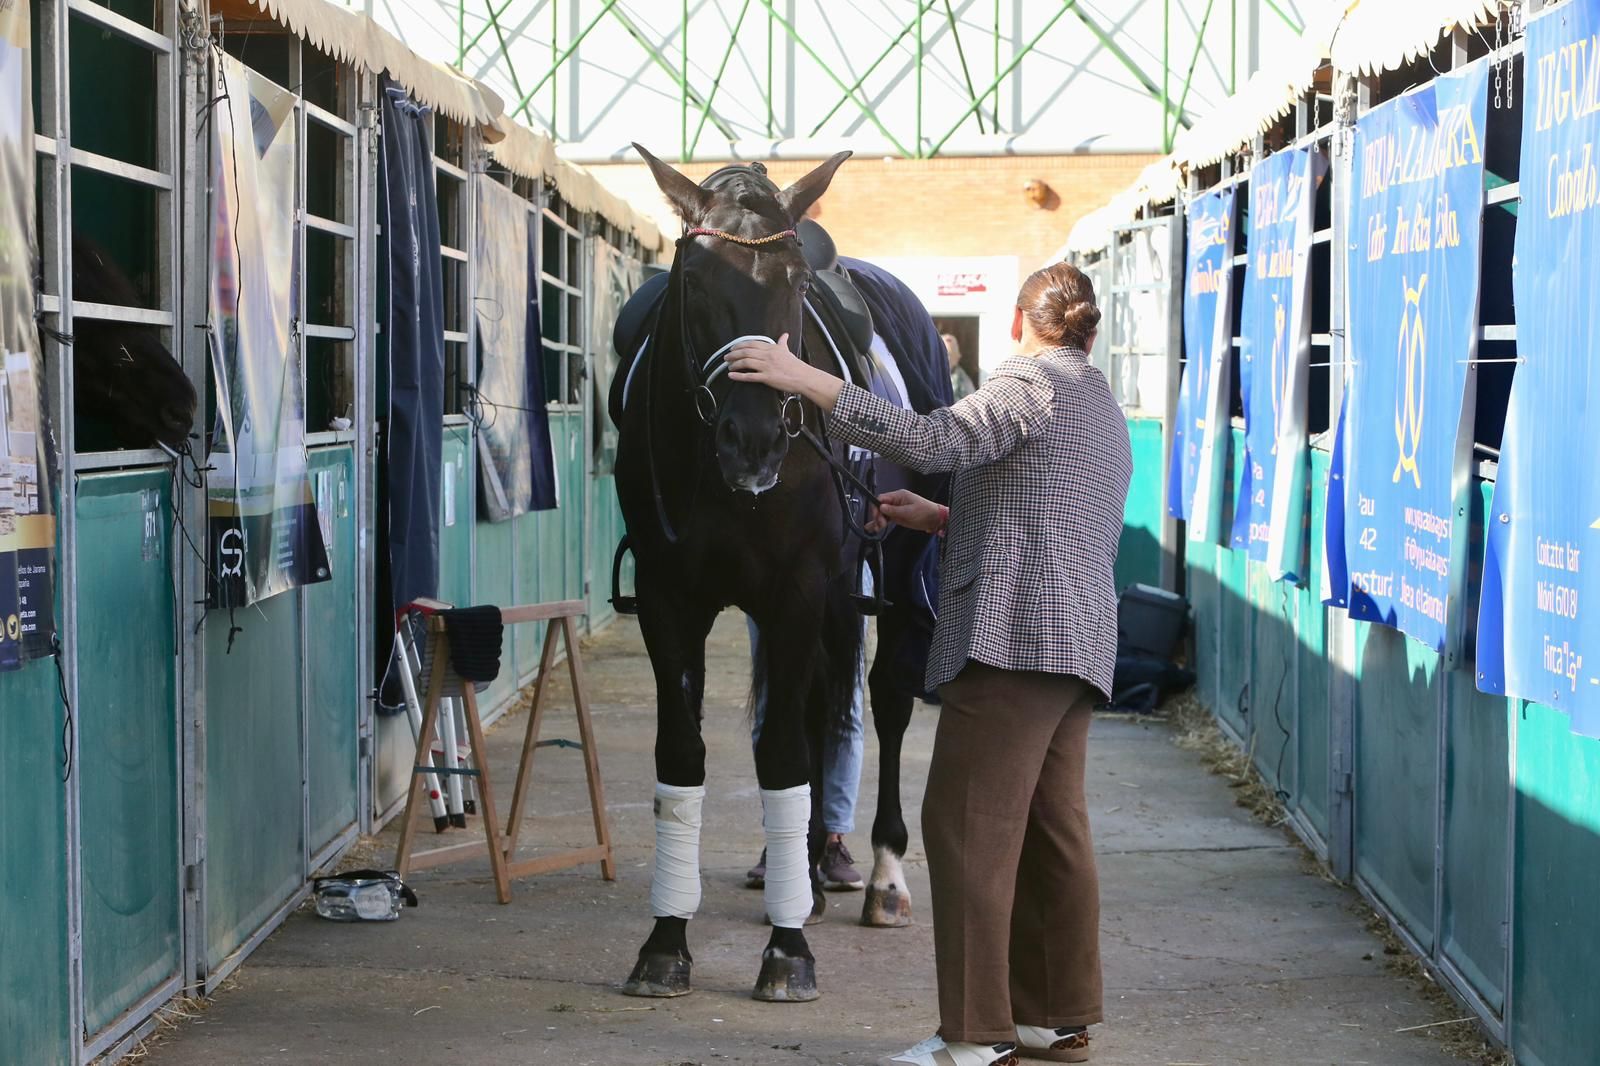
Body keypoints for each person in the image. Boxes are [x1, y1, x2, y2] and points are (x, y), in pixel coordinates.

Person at [725, 262, 1131, 1066]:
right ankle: (1055, 1017)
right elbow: (1048, 504)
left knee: (966, 827)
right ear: (1088, 329)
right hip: (1077, 643)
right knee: (1055, 831)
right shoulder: (1099, 400)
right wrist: (943, 514)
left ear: (1020, 322)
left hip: (1012, 638)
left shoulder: (1027, 384)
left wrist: (803, 377)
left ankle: (976, 1036)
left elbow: (931, 436)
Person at [944, 332, 977, 400]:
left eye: (950, 355)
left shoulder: (962, 379)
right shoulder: (930, 375)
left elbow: (971, 399)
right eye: (945, 355)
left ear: (958, 357)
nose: (947, 359)